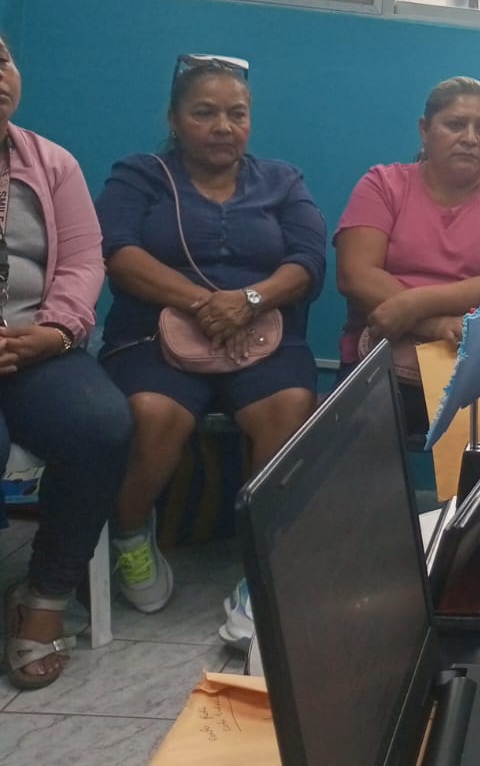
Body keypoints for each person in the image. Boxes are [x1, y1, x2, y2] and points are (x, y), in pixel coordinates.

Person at [96, 53, 324, 648]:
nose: (223, 126)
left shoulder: (282, 180)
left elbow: (308, 261)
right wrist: (204, 303)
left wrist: (249, 300)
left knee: (289, 406)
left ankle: (261, 565)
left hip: (264, 337)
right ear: (174, 119)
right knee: (154, 413)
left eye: (236, 114)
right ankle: (130, 536)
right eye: (204, 113)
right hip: (153, 336)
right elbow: (117, 253)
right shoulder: (140, 176)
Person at [0, 36, 132, 690]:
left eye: (1, 60)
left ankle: (44, 597)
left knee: (101, 426)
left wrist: (53, 333)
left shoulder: (52, 163)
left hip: (35, 345)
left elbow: (83, 261)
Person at [335, 77, 480, 430]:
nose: (470, 138)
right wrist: (436, 326)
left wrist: (413, 305)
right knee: (356, 454)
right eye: (455, 124)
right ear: (425, 129)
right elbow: (355, 275)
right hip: (382, 357)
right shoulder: (382, 184)